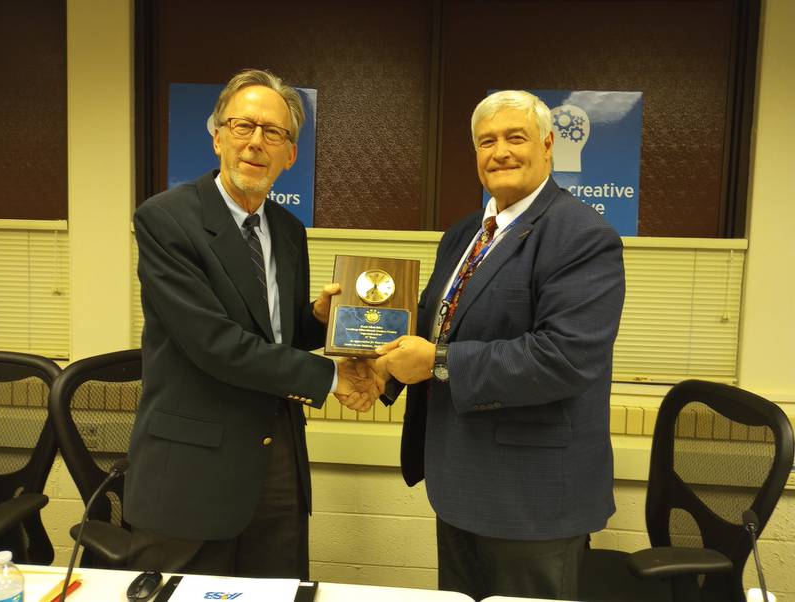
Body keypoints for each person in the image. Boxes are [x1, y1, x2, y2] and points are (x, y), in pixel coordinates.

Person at [124, 68, 380, 578]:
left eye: (275, 133)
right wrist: (333, 378)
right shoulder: (166, 220)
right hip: (193, 474)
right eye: (243, 126)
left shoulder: (288, 230)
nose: (256, 143)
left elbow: (270, 333)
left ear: (290, 155)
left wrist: (317, 320)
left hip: (277, 460)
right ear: (217, 135)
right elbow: (215, 343)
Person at [375, 90, 625, 600]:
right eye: (487, 141)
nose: (501, 151)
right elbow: (432, 322)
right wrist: (379, 366)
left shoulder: (583, 236)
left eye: (516, 137)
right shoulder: (465, 233)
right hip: (458, 481)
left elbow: (563, 358)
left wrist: (437, 364)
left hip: (532, 500)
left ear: (549, 145)